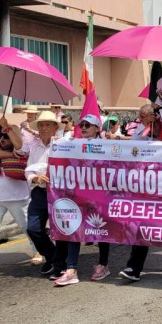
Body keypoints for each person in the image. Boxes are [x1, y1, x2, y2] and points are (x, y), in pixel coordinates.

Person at [118, 105, 162, 282]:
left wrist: (161, 112)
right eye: (147, 116)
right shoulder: (144, 137)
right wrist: (144, 124)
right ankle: (133, 268)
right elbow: (133, 145)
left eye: (155, 117)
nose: (154, 121)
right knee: (142, 227)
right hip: (147, 191)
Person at [51, 115, 112, 286]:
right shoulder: (72, 144)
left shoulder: (106, 146)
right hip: (77, 196)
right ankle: (71, 270)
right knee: (74, 228)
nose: (83, 127)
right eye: (82, 125)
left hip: (99, 196)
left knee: (100, 231)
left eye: (88, 125)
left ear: (97, 128)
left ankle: (103, 265)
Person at [0, 118, 35, 276]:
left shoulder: (23, 149)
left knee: (26, 227)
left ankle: (37, 251)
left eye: (6, 136)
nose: (2, 139)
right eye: (0, 135)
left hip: (17, 198)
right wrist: (13, 155)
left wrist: (7, 127)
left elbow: (21, 149)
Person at [22, 111, 60, 275]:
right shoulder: (34, 148)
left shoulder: (62, 144)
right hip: (40, 192)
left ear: (55, 128)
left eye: (47, 125)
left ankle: (62, 262)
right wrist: (36, 179)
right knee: (33, 228)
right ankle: (52, 256)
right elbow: (28, 170)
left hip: (58, 193)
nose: (44, 128)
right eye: (41, 125)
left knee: (61, 229)